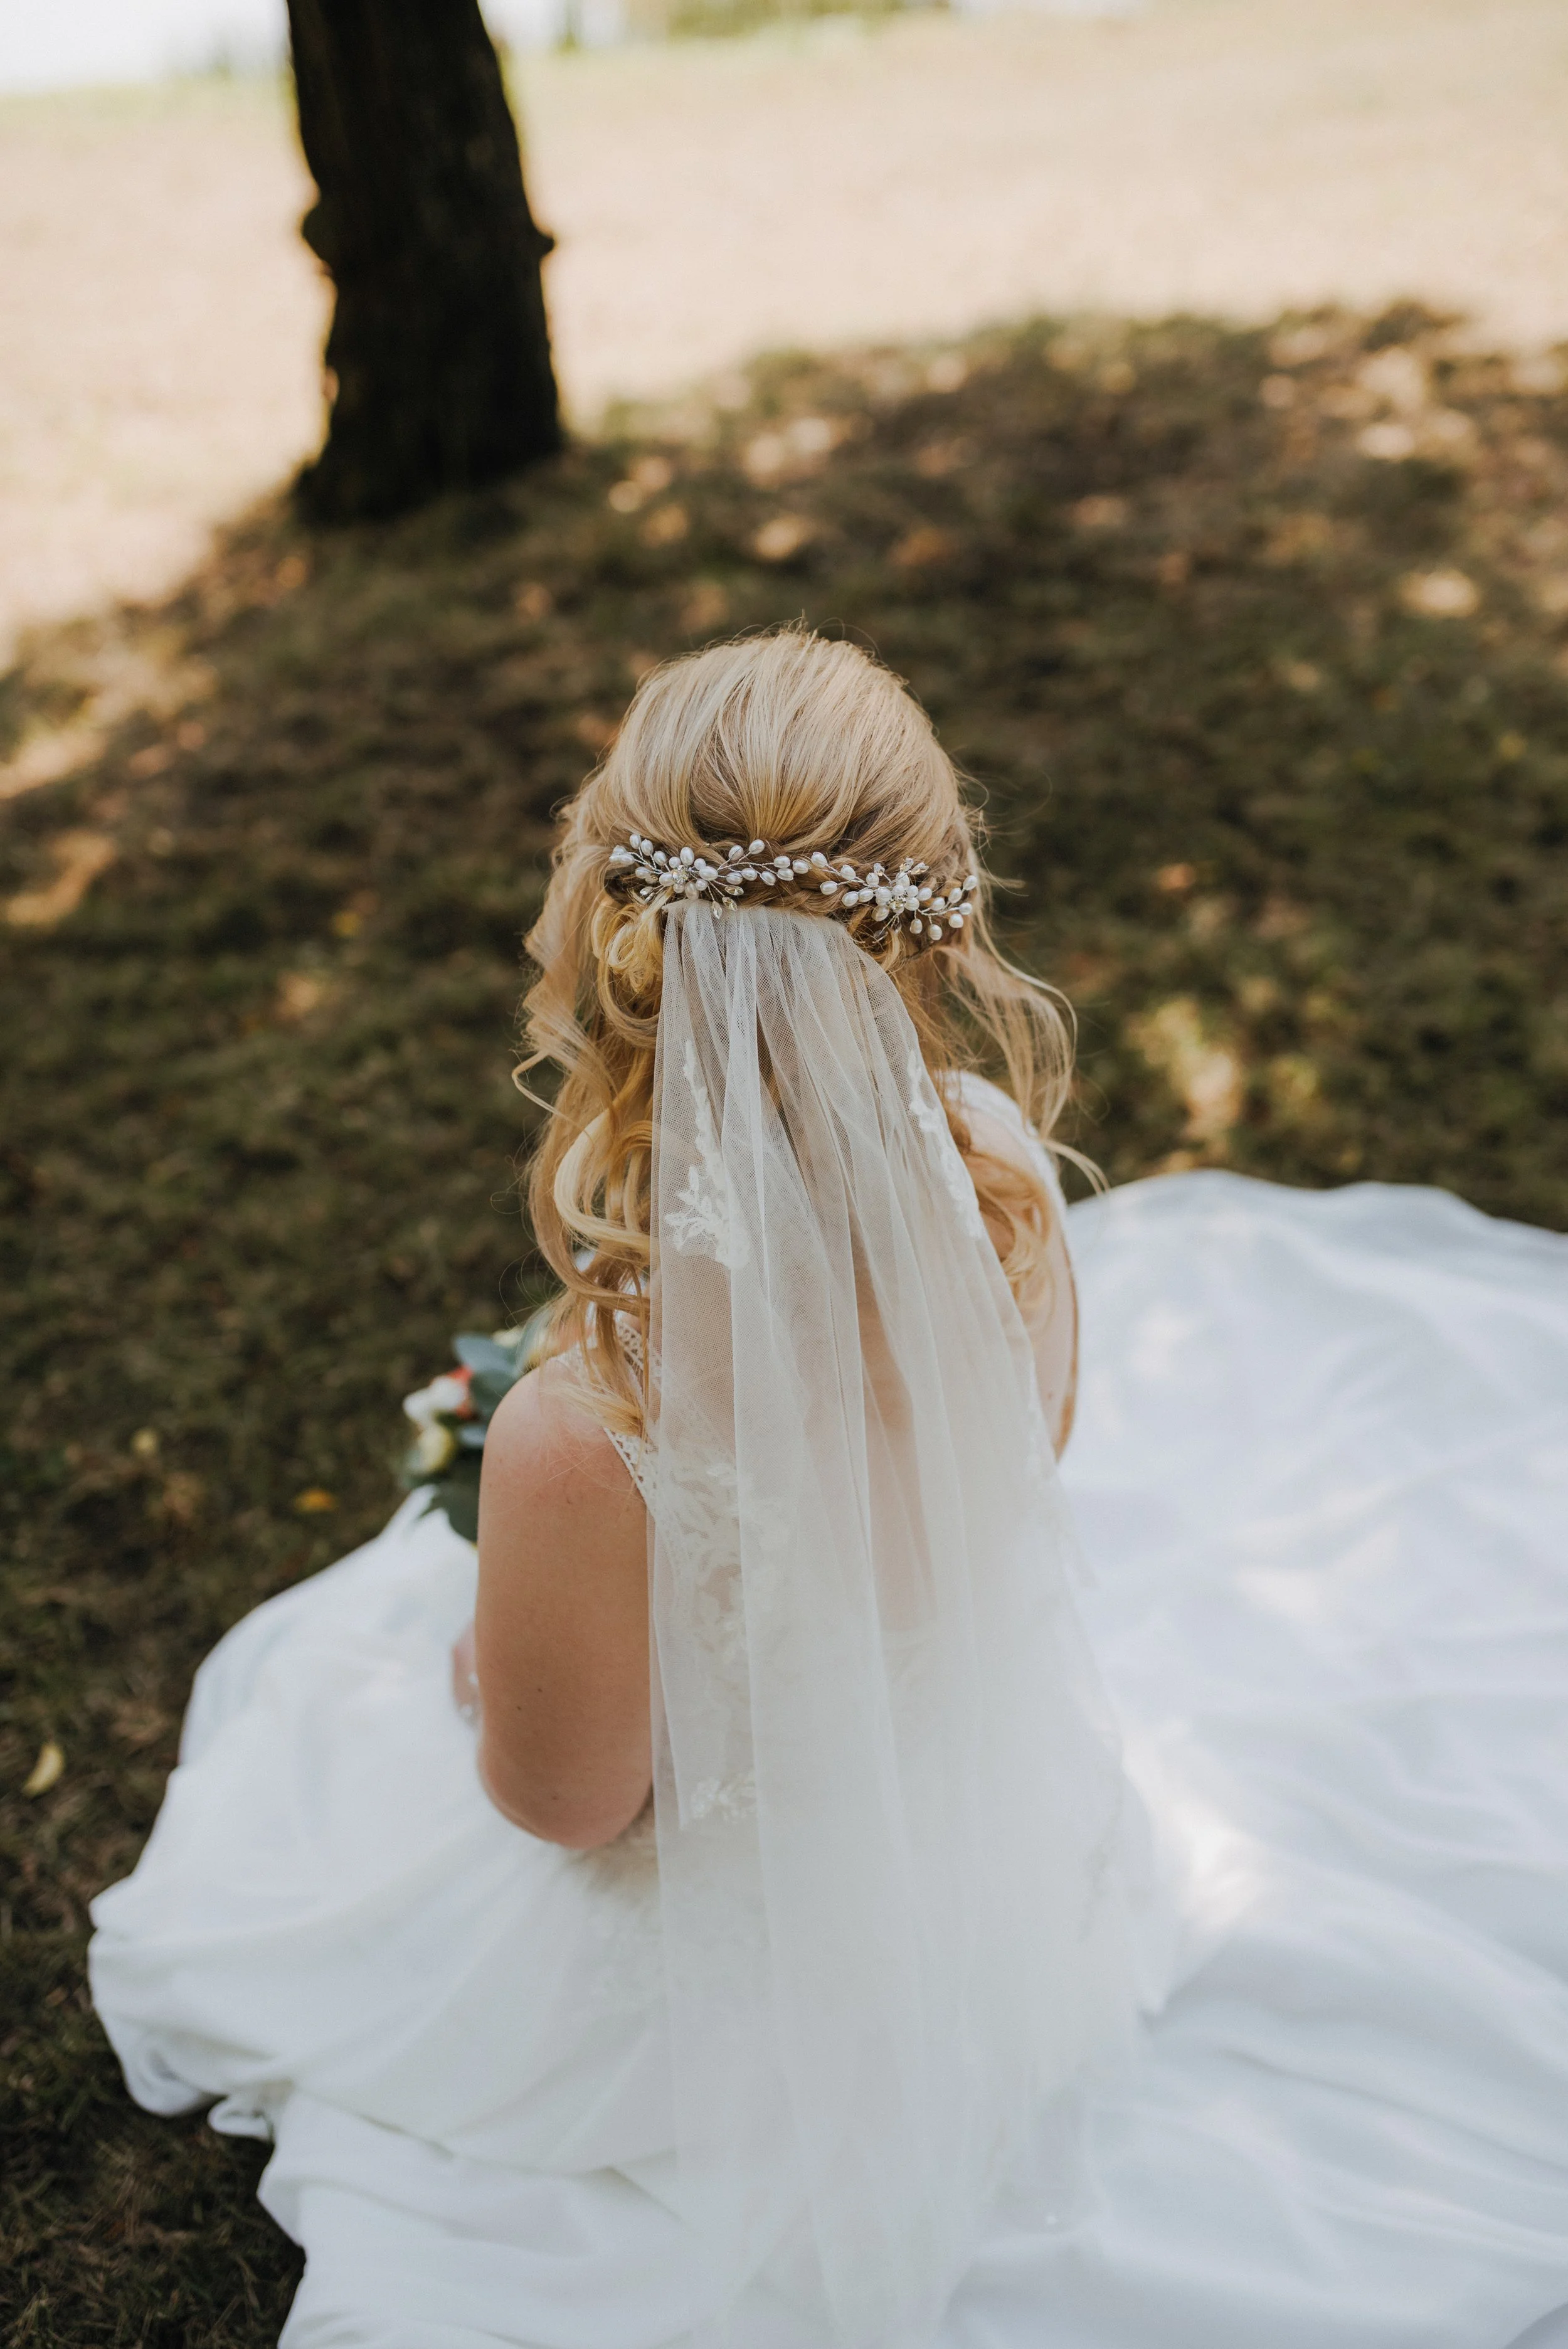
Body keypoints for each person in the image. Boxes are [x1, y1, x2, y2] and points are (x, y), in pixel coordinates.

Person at [90, 632, 1568, 2349]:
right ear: (934, 922)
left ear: (613, 931)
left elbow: (574, 1810)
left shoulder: (590, 1429)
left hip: (718, 1986)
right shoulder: (997, 1180)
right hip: (974, 1846)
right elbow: (1022, 1472)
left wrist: (496, 1675)